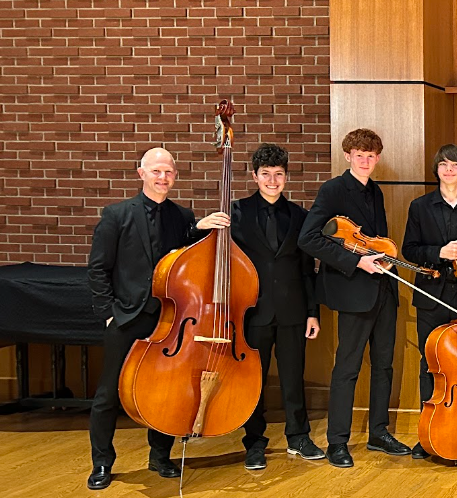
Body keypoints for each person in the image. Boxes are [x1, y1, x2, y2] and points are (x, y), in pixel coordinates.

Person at [86, 148, 228, 489]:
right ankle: (102, 463)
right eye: (157, 171)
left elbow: (187, 257)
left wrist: (201, 227)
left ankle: (159, 456)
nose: (163, 177)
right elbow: (97, 269)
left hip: (169, 320)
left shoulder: (182, 216)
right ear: (141, 173)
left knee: (166, 389)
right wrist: (108, 314)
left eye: (169, 172)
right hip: (127, 317)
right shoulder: (116, 215)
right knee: (108, 393)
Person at [298, 128, 410, 468]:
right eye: (359, 155)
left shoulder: (375, 191)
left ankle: (378, 432)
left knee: (383, 366)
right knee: (346, 369)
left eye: (371, 156)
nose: (365, 160)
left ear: (377, 158)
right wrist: (356, 261)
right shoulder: (333, 189)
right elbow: (309, 239)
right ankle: (337, 442)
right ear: (347, 155)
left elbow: (373, 240)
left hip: (383, 292)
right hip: (352, 293)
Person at [230, 143, 324, 469]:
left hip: (293, 311)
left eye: (279, 174)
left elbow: (307, 268)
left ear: (287, 177)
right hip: (251, 312)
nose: (273, 180)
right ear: (254, 176)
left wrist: (313, 312)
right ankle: (254, 442)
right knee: (253, 380)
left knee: (293, 378)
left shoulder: (300, 216)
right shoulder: (235, 213)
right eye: (266, 174)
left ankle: (299, 437)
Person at [400, 144, 457, 459]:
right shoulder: (420, 206)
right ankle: (429, 433)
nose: (449, 170)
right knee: (432, 368)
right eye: (443, 164)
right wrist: (438, 252)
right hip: (432, 296)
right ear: (436, 170)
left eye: (455, 164)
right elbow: (409, 250)